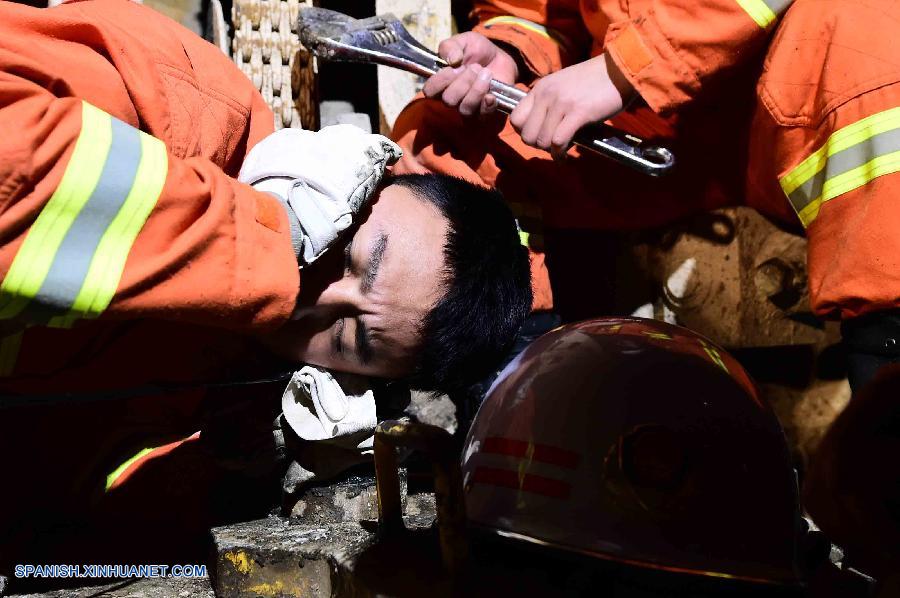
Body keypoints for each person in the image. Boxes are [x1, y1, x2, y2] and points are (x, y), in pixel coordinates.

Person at [0, 0, 531, 573]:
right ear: (368, 173)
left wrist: (224, 465)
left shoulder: (227, 394)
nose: (316, 301)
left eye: (349, 338)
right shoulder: (189, 105)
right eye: (353, 257)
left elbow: (55, 527)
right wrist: (273, 238)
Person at [391, 0, 900, 394]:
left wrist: (627, 68)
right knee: (442, 135)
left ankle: (884, 430)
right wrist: (510, 49)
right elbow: (537, 13)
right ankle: (517, 403)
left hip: (794, 89)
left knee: (871, 37)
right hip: (648, 121)